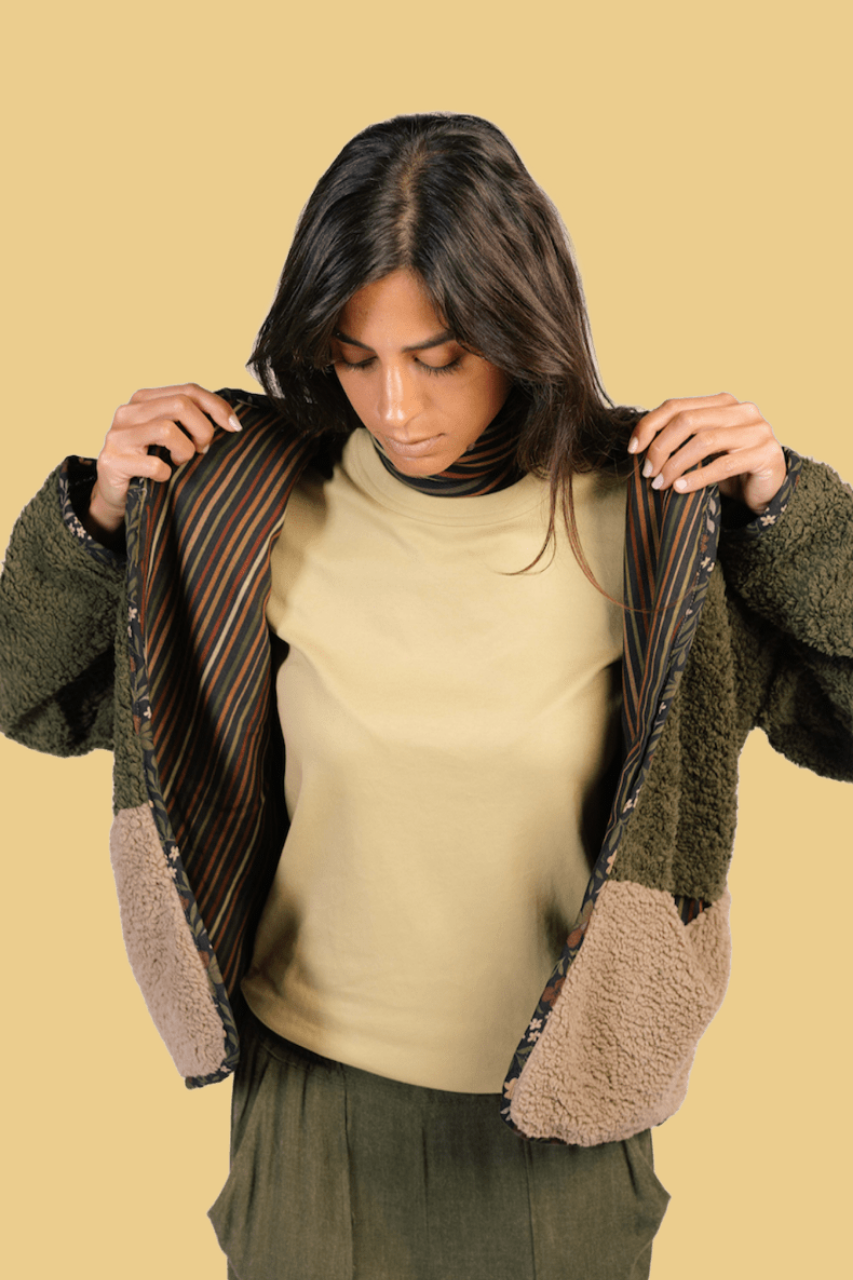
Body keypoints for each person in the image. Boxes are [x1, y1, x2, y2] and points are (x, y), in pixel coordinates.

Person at [0, 113, 850, 1280]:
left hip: (565, 1123)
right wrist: (98, 516)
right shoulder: (242, 501)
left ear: (520, 325)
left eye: (438, 357)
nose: (394, 404)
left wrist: (789, 512)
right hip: (309, 1118)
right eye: (356, 357)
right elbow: (28, 688)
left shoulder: (662, 513)